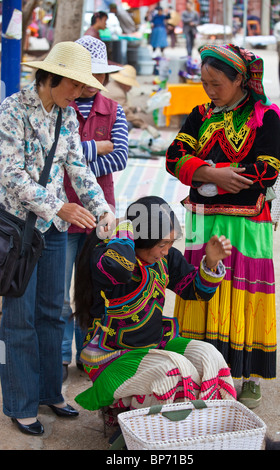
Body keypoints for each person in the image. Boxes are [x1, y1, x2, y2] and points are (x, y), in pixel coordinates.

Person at [0, 41, 115, 436]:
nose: (80, 92)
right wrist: (58, 205)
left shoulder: (66, 114)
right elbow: (11, 175)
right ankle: (20, 403)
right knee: (19, 319)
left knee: (54, 312)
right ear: (52, 76)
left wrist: (101, 208)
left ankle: (51, 391)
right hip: (17, 230)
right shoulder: (12, 110)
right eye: (75, 84)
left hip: (51, 229)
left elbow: (77, 166)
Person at [166, 44, 280, 409]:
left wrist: (211, 178)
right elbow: (174, 157)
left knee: (242, 290)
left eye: (216, 83)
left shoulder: (264, 116)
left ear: (239, 80)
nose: (209, 90)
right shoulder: (200, 113)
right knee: (201, 287)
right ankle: (202, 366)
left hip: (247, 222)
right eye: (204, 82)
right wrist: (208, 171)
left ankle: (246, 372)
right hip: (204, 219)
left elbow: (268, 168)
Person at [74, 196, 236, 422]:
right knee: (172, 372)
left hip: (155, 345)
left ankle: (206, 424)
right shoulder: (107, 256)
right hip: (113, 356)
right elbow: (120, 269)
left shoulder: (164, 260)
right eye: (162, 244)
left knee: (209, 356)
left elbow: (195, 291)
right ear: (140, 239)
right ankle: (143, 430)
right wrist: (125, 228)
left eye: (170, 243)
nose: (168, 251)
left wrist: (210, 263)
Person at [61, 36, 128, 381]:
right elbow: (53, 157)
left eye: (98, 76)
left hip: (99, 214)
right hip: (58, 213)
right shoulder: (60, 105)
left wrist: (76, 157)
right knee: (57, 291)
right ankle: (59, 356)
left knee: (91, 289)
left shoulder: (114, 110)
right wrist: (93, 148)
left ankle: (88, 353)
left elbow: (119, 156)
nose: (92, 83)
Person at [101, 65, 158, 135]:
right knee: (128, 124)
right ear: (125, 83)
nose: (131, 88)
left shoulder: (113, 85)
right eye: (130, 85)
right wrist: (144, 125)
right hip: (105, 123)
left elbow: (123, 107)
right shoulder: (118, 93)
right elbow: (126, 114)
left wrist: (135, 109)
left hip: (105, 118)